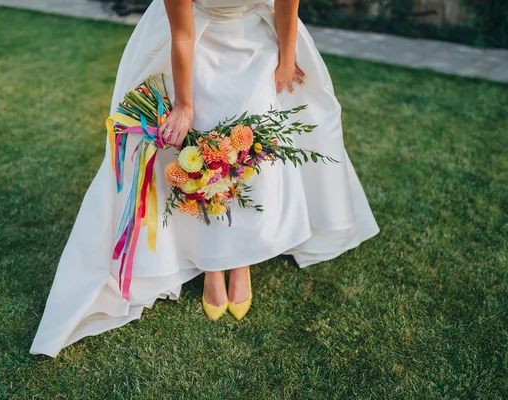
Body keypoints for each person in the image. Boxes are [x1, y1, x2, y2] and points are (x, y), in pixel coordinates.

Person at [30, 0, 379, 358]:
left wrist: (286, 59)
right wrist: (184, 105)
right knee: (201, 144)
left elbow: (286, 5)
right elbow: (182, 35)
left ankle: (240, 261)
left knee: (252, 146)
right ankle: (215, 265)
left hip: (256, 39)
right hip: (196, 41)